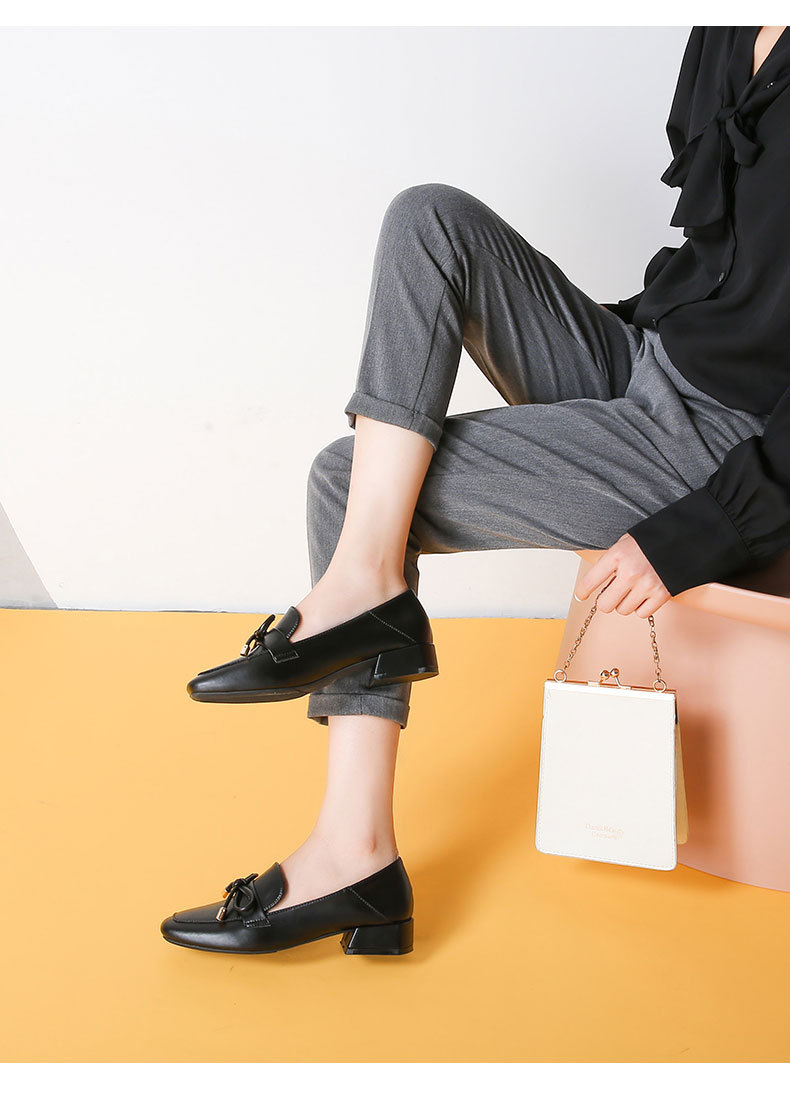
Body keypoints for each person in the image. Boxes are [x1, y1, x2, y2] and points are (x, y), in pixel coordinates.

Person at [160, 26, 790, 957]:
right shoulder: (732, 25)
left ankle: (355, 852)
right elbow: (732, 267)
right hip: (645, 359)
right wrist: (596, 337)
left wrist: (704, 529)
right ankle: (364, 600)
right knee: (430, 218)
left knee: (348, 482)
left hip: (727, 440)